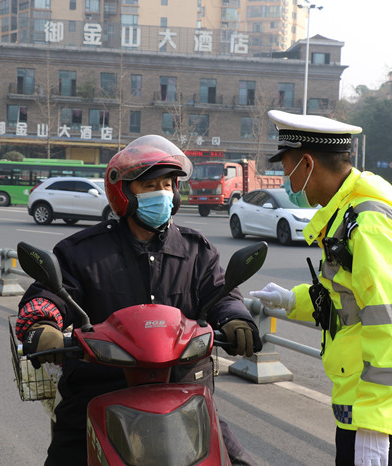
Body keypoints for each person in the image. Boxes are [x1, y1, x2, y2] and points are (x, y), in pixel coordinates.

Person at [16, 135, 261, 466]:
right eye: (149, 185)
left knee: (238, 461)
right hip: (100, 390)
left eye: (167, 184)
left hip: (183, 392)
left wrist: (235, 319)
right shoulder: (82, 252)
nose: (161, 192)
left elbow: (222, 293)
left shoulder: (197, 250)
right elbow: (48, 293)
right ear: (124, 192)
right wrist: (42, 324)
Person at [250, 110, 392, 466]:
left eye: (286, 167)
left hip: (388, 409)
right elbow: (347, 300)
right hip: (368, 397)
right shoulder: (346, 214)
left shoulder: (370, 224)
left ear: (307, 163)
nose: (284, 178)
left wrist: (376, 429)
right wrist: (291, 300)